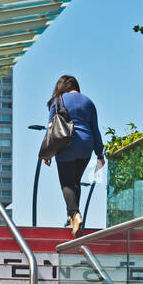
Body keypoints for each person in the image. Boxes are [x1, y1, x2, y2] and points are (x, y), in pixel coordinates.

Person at [43, 75, 105, 238]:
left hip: (65, 144)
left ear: (61, 86)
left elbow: (51, 127)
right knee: (75, 182)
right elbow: (95, 129)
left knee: (67, 184)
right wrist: (100, 153)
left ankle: (75, 214)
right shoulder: (88, 102)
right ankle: (71, 219)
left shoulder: (58, 100)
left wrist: (48, 153)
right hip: (86, 146)